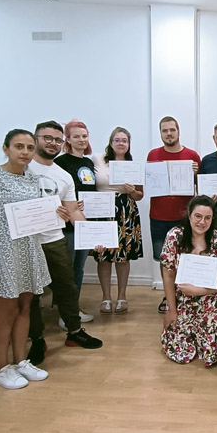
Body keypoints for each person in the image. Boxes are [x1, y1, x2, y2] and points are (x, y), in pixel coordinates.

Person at [0, 129, 51, 389]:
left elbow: (37, 215)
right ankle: (1, 368)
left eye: (30, 147)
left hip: (29, 249)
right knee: (6, 311)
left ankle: (20, 361)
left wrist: (55, 213)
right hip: (2, 251)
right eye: (19, 146)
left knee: (26, 307)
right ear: (6, 148)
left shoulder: (33, 179)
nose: (25, 152)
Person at [26, 121, 103, 364]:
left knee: (67, 286)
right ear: (36, 139)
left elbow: (74, 211)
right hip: (26, 241)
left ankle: (74, 331)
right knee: (33, 292)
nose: (53, 143)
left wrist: (93, 237)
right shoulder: (23, 168)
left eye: (57, 140)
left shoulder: (63, 175)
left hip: (54, 238)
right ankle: (37, 339)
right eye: (47, 138)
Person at [160, 195, 217, 366]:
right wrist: (171, 309)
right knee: (178, 344)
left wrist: (199, 291)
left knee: (216, 319)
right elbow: (168, 274)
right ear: (189, 215)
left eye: (207, 218)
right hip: (184, 295)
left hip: (214, 295)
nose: (202, 222)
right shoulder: (174, 236)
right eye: (198, 216)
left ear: (213, 219)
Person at [146, 116, 201, 313]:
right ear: (160, 133)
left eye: (172, 130)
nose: (169, 134)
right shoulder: (153, 155)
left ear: (178, 131)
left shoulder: (192, 156)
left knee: (186, 258)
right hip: (158, 218)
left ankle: (185, 294)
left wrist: (195, 174)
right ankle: (168, 295)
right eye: (165, 130)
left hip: (184, 218)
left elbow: (201, 188)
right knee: (164, 260)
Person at [91, 126, 144, 314]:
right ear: (111, 142)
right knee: (103, 257)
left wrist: (132, 191)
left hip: (125, 212)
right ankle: (106, 297)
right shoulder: (97, 159)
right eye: (117, 140)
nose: (121, 143)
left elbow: (140, 196)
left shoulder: (133, 165)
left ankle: (122, 296)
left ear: (129, 144)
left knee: (123, 257)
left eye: (125, 140)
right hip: (101, 211)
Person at [54, 119, 96, 296]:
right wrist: (68, 203)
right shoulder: (60, 162)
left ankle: (74, 304)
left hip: (85, 222)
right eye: (76, 136)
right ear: (68, 139)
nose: (81, 140)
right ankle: (64, 306)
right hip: (68, 226)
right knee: (67, 267)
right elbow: (56, 192)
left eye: (84, 136)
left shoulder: (88, 163)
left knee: (79, 266)